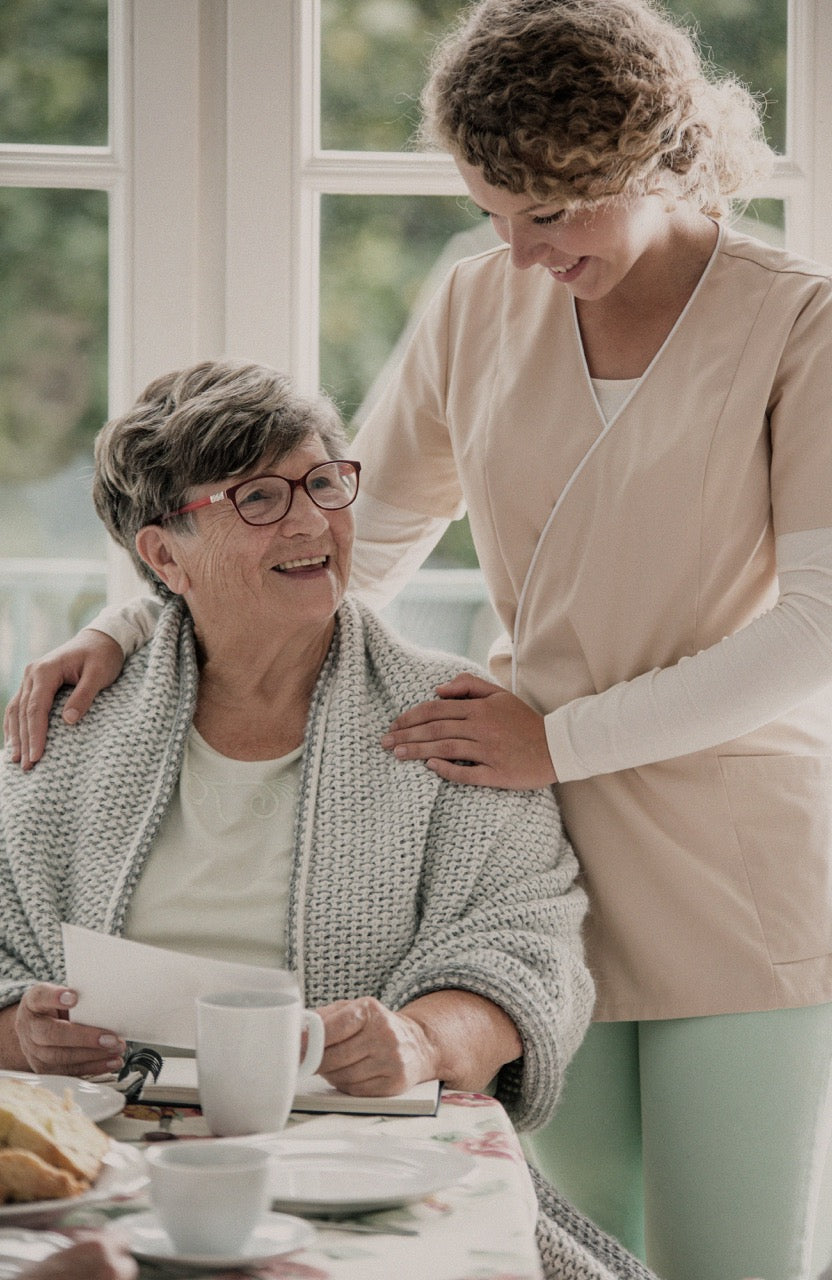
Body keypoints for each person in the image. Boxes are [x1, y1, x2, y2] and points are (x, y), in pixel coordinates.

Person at [4, 2, 832, 1277]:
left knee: (732, 1260)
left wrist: (557, 740)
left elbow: (815, 627)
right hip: (525, 840)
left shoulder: (799, 324)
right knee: (565, 1237)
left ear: (654, 163)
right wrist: (135, 616)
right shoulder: (474, 298)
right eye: (493, 209)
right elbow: (352, 533)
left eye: (551, 214)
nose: (518, 248)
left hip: (724, 850)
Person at [0, 359, 659, 1280]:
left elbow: (527, 949)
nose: (312, 520)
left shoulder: (451, 718)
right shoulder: (71, 724)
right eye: (259, 498)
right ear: (163, 555)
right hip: (101, 1155)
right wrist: (21, 1033)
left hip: (359, 1161)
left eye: (322, 483)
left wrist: (420, 1040)